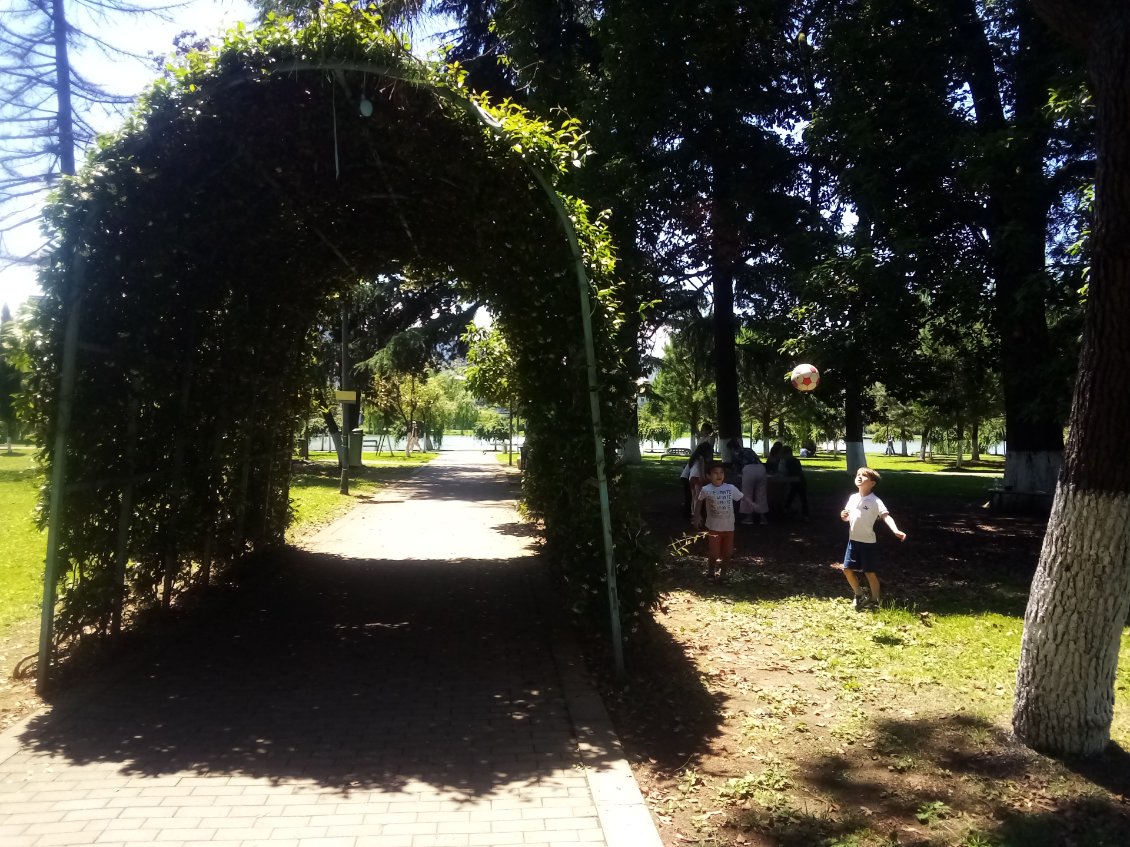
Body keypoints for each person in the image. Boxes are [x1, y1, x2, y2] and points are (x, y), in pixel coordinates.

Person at [833, 467, 907, 610]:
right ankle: (858, 594)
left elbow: (886, 516)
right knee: (847, 570)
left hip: (868, 543)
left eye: (864, 475)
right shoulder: (853, 498)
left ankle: (875, 601)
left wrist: (895, 530)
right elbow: (847, 517)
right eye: (858, 474)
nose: (859, 476)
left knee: (869, 572)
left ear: (872, 483)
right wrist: (844, 516)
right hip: (853, 541)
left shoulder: (875, 501)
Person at [693, 462, 746, 579]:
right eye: (715, 473)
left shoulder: (730, 488)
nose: (719, 475)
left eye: (721, 472)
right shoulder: (706, 489)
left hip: (729, 528)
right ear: (708, 475)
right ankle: (711, 573)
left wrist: (753, 504)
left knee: (727, 554)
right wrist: (697, 516)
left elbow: (742, 497)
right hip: (714, 528)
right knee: (714, 554)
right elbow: (699, 500)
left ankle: (723, 575)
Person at [680, 431, 715, 519]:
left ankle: (693, 514)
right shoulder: (701, 459)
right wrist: (706, 479)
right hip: (697, 478)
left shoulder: (695, 458)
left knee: (694, 497)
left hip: (691, 479)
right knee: (698, 498)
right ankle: (697, 515)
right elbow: (700, 471)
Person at [738, 447, 768, 525]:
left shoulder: (737, 452)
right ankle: (762, 518)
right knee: (761, 494)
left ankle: (749, 517)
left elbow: (737, 464)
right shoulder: (749, 450)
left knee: (747, 494)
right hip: (761, 468)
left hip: (748, 470)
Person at [781, 445, 809, 518]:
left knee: (796, 497)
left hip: (797, 481)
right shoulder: (795, 460)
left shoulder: (789, 461)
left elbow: (789, 472)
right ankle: (804, 515)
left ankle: (788, 510)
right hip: (800, 480)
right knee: (799, 498)